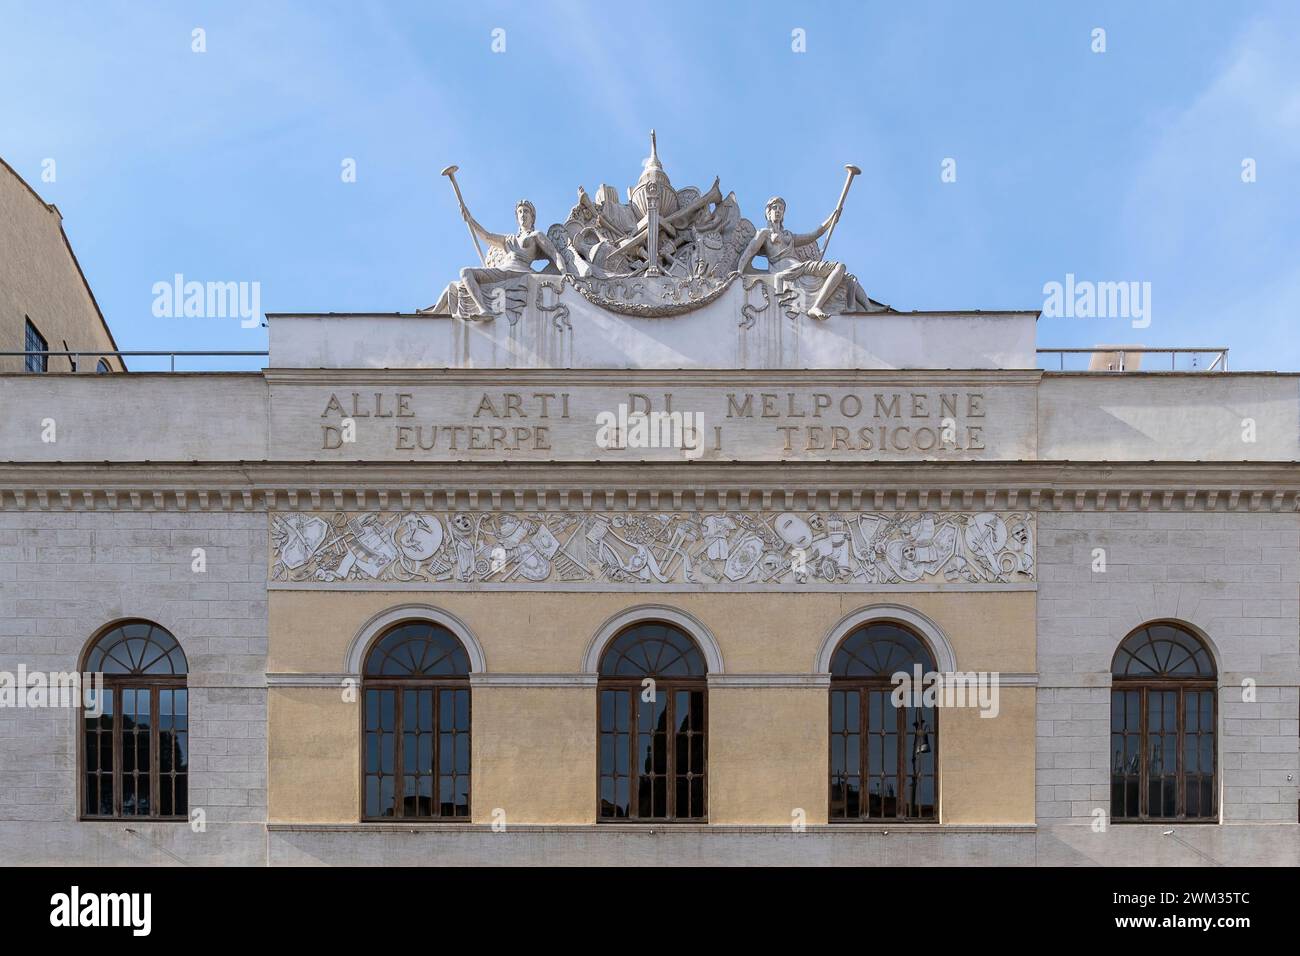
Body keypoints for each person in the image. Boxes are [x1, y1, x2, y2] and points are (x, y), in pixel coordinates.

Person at [456, 199, 568, 317]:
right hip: (503, 270)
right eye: (520, 212)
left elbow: (554, 254)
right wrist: (470, 219)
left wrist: (564, 274)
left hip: (520, 271)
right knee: (466, 272)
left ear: (532, 217)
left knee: (466, 273)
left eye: (526, 211)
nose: (522, 215)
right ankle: (484, 310)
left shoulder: (536, 235)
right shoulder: (508, 239)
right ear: (517, 217)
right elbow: (487, 236)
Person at [737, 196, 844, 319]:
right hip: (787, 270)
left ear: (783, 214)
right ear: (768, 212)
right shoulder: (764, 233)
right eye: (774, 208)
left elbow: (813, 235)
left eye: (781, 209)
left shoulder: (789, 235)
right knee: (838, 267)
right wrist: (739, 270)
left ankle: (816, 306)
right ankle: (816, 307)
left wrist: (831, 219)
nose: (778, 211)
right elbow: (749, 252)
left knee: (840, 269)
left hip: (800, 267)